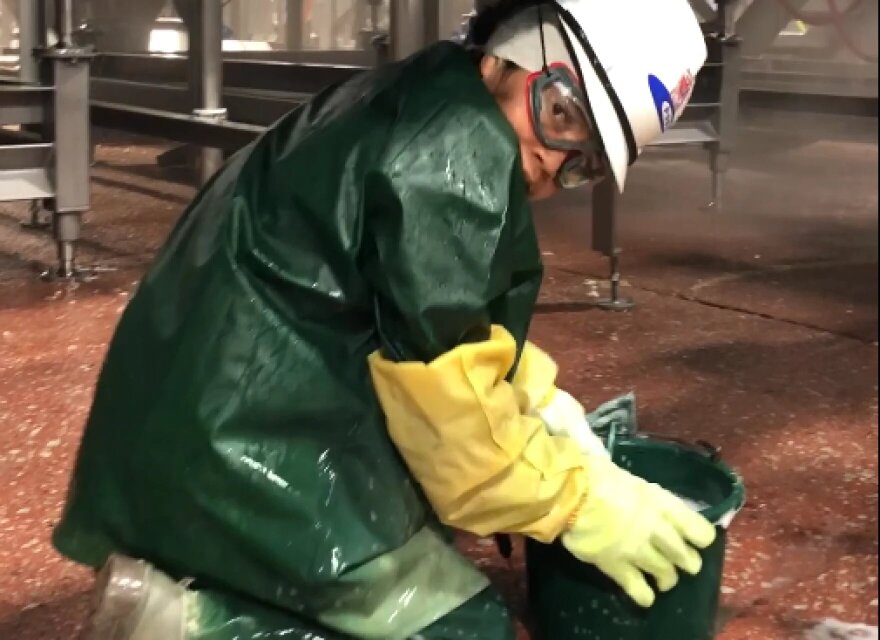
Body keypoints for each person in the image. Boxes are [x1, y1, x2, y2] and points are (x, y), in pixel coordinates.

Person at [55, 1, 715, 638]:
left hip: (199, 406)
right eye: (561, 114)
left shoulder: (433, 92)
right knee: (464, 630)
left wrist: (544, 409)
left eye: (586, 163)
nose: (554, 162)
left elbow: (450, 325)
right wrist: (580, 503)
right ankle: (196, 625)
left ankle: (213, 580)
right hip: (238, 446)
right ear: (513, 51)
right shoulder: (453, 157)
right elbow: (457, 435)